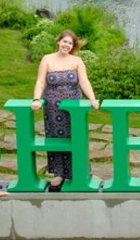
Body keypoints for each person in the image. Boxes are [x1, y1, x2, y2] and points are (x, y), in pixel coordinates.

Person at [30, 30, 99, 192]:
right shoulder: (47, 59)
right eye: (64, 41)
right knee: (56, 138)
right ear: (58, 42)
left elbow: (84, 81)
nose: (66, 45)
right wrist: (36, 99)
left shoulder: (77, 61)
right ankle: (58, 173)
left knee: (76, 138)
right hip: (53, 107)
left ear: (72, 46)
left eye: (70, 43)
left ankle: (80, 171)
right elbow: (40, 81)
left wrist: (93, 99)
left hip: (73, 108)